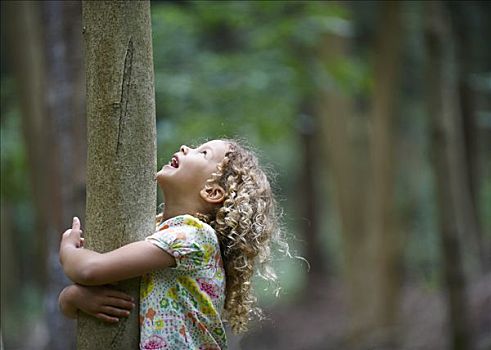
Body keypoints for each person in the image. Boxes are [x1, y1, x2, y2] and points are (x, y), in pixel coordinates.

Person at [58, 139, 287, 350]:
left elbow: (89, 270)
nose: (186, 147)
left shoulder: (193, 237)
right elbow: (113, 304)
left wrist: (68, 249)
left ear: (212, 191)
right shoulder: (161, 235)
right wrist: (70, 298)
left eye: (203, 153)